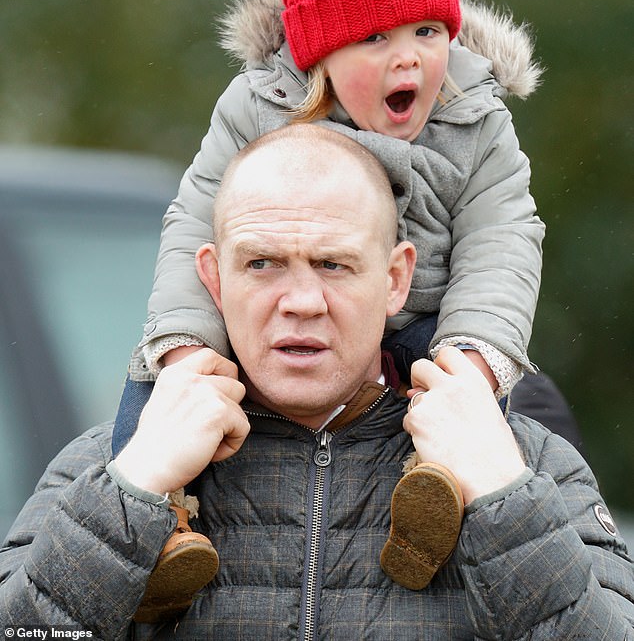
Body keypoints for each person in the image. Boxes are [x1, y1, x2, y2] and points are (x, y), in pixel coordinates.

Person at [113, 0, 549, 614]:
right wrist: (184, 351)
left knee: (510, 410)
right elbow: (194, 228)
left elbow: (503, 238)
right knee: (158, 392)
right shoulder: (261, 109)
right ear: (317, 50)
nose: (409, 57)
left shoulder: (473, 118)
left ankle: (436, 504)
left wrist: (475, 358)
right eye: (375, 37)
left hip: (427, 331)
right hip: (279, 339)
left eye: (427, 30)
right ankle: (159, 527)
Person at [1, 125, 633, 640]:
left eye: (333, 264)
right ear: (214, 279)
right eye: (262, 264)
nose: (301, 300)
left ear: (394, 280)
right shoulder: (108, 464)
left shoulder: (530, 463)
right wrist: (131, 490)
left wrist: (502, 497)